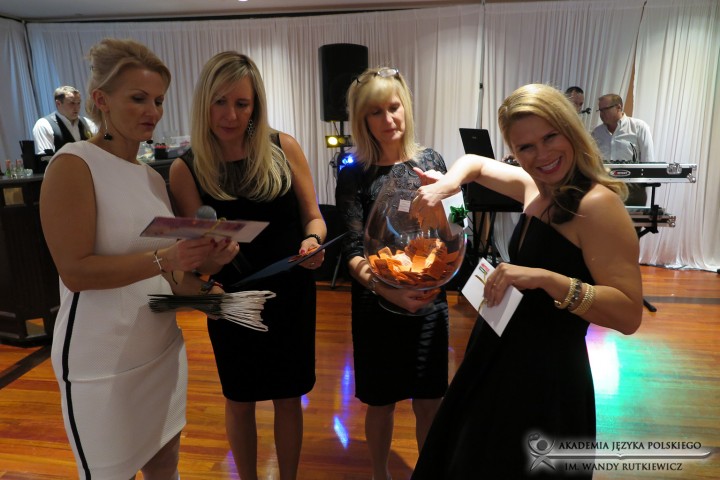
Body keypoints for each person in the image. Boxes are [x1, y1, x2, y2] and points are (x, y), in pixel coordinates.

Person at [410, 84, 643, 479]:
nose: (542, 155)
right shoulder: (538, 188)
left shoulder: (597, 204)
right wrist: (450, 183)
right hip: (497, 356)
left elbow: (628, 313)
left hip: (546, 378)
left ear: (570, 129)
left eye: (550, 137)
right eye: (526, 147)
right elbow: (475, 163)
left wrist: (547, 280)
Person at [39, 38, 238, 479]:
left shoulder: (150, 177)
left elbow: (170, 276)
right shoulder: (74, 164)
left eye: (159, 100)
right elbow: (75, 272)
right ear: (101, 100)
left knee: (166, 468)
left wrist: (211, 275)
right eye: (138, 98)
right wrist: (166, 257)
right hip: (101, 363)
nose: (152, 111)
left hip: (161, 350)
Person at [168, 51, 326, 480]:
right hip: (231, 301)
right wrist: (209, 269)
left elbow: (313, 217)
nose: (231, 115)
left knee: (289, 397)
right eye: (220, 102)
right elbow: (194, 258)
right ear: (204, 103)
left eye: (242, 103)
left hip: (291, 295)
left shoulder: (283, 147)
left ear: (256, 106)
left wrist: (313, 241)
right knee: (239, 399)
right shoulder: (186, 169)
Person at [335, 67, 450, 480]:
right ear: (362, 119)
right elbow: (352, 249)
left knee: (430, 401)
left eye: (394, 107)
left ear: (406, 107)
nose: (388, 120)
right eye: (375, 112)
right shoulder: (354, 172)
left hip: (429, 299)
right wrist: (386, 291)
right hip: (376, 305)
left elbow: (456, 227)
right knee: (380, 402)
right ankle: (379, 474)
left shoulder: (432, 161)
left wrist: (446, 208)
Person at [591, 93, 656, 204]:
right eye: (600, 110)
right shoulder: (597, 133)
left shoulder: (639, 127)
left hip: (633, 188)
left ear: (618, 107)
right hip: (605, 187)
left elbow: (648, 159)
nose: (602, 114)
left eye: (605, 109)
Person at [32, 85, 98, 154]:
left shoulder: (88, 123)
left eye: (78, 103)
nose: (77, 107)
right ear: (58, 104)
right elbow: (46, 158)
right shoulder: (44, 125)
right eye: (72, 103)